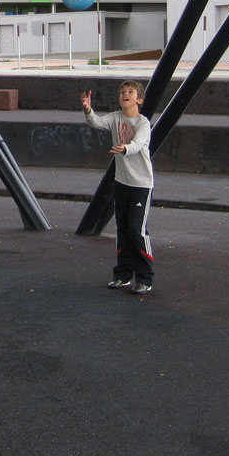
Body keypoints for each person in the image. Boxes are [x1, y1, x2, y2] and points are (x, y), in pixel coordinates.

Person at [81, 80, 154, 295]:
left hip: (141, 184)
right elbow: (96, 122)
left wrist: (125, 148)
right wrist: (88, 110)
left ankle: (145, 277)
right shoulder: (115, 118)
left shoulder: (143, 123)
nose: (125, 94)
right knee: (122, 229)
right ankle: (122, 275)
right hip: (122, 183)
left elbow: (139, 143)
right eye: (123, 92)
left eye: (130, 92)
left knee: (136, 230)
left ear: (139, 100)